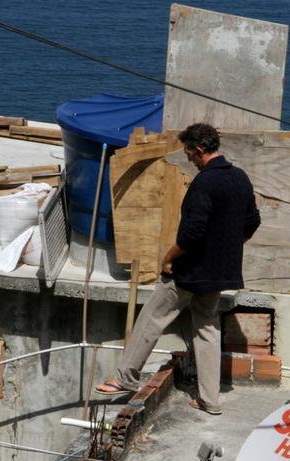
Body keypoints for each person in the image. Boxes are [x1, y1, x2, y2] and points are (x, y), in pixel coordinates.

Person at [96, 122, 261, 415]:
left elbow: (192, 233)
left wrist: (169, 258)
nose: (188, 160)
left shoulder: (204, 183)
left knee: (151, 319)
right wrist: (227, 247)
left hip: (190, 271)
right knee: (207, 329)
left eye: (188, 154)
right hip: (219, 273)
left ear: (199, 151)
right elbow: (251, 223)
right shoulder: (240, 178)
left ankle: (125, 379)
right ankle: (210, 399)